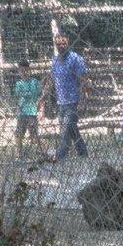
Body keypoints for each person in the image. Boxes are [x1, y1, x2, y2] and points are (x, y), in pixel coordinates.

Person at [41, 33, 89, 162]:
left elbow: (84, 80)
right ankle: (83, 152)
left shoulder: (75, 59)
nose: (61, 46)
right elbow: (52, 80)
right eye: (58, 44)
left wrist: (83, 101)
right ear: (55, 45)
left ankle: (59, 156)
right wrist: (43, 97)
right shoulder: (55, 60)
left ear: (68, 43)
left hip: (73, 100)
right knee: (72, 128)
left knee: (65, 129)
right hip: (61, 101)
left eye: (63, 43)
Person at [13, 59, 43, 156]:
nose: (24, 73)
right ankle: (18, 153)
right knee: (19, 134)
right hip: (22, 112)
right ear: (19, 72)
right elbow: (18, 98)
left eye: (26, 70)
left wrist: (41, 110)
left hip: (32, 112)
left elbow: (40, 97)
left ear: (29, 70)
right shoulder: (18, 84)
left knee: (34, 135)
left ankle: (43, 150)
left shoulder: (35, 82)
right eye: (21, 71)